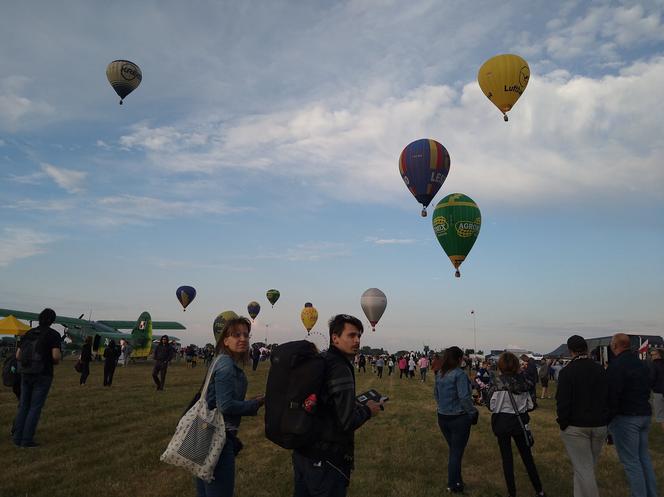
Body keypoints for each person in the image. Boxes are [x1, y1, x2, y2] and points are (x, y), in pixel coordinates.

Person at [292, 314, 382, 497]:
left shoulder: (321, 360)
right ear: (335, 338)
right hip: (328, 459)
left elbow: (323, 402)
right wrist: (368, 410)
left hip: (303, 452)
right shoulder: (340, 367)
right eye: (351, 335)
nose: (357, 340)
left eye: (359, 336)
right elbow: (346, 422)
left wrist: (351, 403)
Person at [195, 316, 264, 497]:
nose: (243, 339)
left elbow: (219, 399)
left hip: (204, 433)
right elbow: (225, 406)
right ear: (225, 340)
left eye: (246, 335)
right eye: (236, 335)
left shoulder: (218, 360)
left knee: (205, 490)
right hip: (219, 438)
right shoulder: (226, 364)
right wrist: (255, 404)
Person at [483, 352, 545, 497]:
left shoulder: (497, 382)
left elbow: (490, 405)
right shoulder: (525, 382)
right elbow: (532, 405)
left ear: (501, 366)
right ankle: (539, 490)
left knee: (507, 459)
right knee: (527, 457)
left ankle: (512, 493)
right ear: (517, 365)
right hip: (519, 421)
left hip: (502, 422)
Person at [556, 335, 609, 497]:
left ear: (570, 351)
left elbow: (562, 401)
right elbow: (607, 397)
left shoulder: (568, 371)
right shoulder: (600, 369)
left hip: (576, 426)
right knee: (585, 468)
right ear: (586, 348)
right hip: (599, 425)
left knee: (583, 469)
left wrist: (563, 422)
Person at [607, 333, 658, 497]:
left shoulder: (617, 366)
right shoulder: (642, 364)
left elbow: (612, 394)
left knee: (631, 462)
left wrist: (607, 419)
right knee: (644, 459)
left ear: (615, 346)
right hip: (644, 414)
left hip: (626, 417)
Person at [12, 308, 62, 447]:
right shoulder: (53, 335)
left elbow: (17, 356)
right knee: (35, 407)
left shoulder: (29, 333)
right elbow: (56, 356)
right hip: (43, 373)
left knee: (23, 405)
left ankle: (17, 437)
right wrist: (55, 362)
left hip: (25, 372)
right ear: (52, 320)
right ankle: (27, 439)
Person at [434, 346, 478, 494]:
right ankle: (454, 484)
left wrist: (442, 407)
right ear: (460, 359)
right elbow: (464, 397)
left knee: (454, 450)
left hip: (443, 416)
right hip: (458, 418)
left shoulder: (440, 373)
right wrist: (472, 412)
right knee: (456, 453)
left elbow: (436, 394)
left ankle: (457, 480)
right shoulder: (459, 374)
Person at [651, 348, 664, 430]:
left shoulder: (653, 365)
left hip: (659, 393)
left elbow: (651, 379)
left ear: (658, 355)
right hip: (659, 392)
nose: (651, 356)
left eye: (653, 354)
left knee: (662, 418)